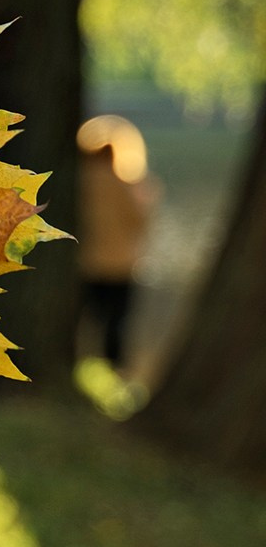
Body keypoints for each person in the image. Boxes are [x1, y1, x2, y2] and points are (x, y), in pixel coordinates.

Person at [77, 112, 162, 371]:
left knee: (84, 320)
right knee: (116, 324)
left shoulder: (80, 181)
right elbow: (139, 222)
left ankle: (82, 365)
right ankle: (112, 371)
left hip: (85, 263)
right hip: (120, 265)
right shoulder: (123, 185)